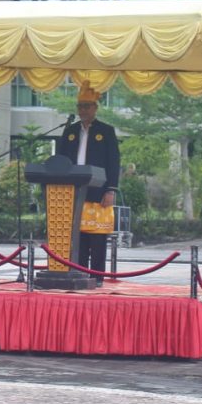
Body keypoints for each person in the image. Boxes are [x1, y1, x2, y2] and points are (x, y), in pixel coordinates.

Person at [56, 84, 120, 283]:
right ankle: (80, 275)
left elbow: (114, 162)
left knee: (97, 238)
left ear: (95, 108)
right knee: (78, 239)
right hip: (74, 192)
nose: (83, 110)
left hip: (98, 192)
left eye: (87, 106)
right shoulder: (70, 132)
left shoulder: (106, 131)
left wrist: (111, 189)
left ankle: (98, 278)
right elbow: (60, 160)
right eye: (80, 106)